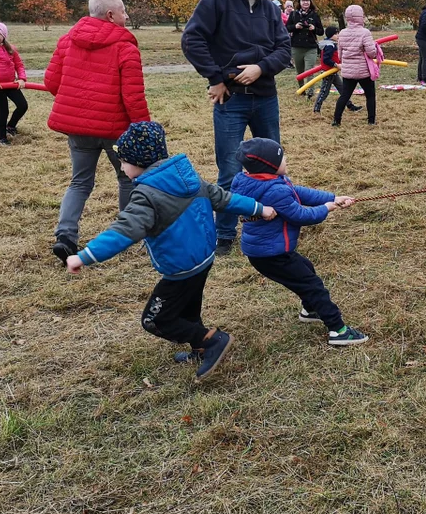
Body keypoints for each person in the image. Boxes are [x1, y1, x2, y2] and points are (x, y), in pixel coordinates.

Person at [65, 122, 275, 383]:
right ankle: (200, 347)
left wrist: (83, 256)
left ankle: (212, 341)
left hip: (180, 268)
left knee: (156, 320)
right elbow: (223, 198)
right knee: (188, 309)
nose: (121, 167)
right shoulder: (186, 176)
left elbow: (123, 231)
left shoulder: (147, 195)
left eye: (123, 161)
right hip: (203, 258)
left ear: (139, 162)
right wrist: (259, 208)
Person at [181, 0, 291, 255]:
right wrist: (215, 78)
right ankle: (225, 235)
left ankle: (280, 218)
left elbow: (283, 49)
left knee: (274, 164)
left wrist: (261, 68)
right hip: (231, 100)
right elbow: (192, 39)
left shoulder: (270, 9)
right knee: (230, 169)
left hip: (266, 97)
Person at [45, 0, 151, 263]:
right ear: (111, 15)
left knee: (80, 181)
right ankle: (128, 234)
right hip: (116, 130)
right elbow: (133, 97)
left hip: (79, 130)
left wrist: (79, 100)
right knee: (128, 178)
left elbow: (51, 83)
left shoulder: (67, 41)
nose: (127, 16)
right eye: (124, 11)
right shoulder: (125, 47)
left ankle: (65, 235)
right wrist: (144, 130)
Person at [230, 138, 368, 346]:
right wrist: (328, 207)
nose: (286, 159)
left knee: (306, 269)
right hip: (271, 254)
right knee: (313, 286)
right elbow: (301, 215)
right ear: (269, 167)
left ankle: (310, 309)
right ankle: (338, 331)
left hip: (267, 251)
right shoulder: (275, 191)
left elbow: (299, 193)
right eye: (281, 157)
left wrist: (332, 197)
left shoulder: (256, 181)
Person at [332, 5, 377, 126]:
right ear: (360, 17)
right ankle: (371, 121)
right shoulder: (365, 33)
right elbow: (371, 53)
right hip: (363, 71)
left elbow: (340, 54)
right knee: (370, 95)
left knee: (345, 95)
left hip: (348, 71)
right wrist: (376, 49)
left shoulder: (342, 33)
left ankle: (336, 120)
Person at [313, 26, 361, 114]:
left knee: (342, 89)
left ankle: (350, 106)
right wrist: (336, 65)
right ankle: (316, 109)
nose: (338, 35)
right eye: (336, 34)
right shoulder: (329, 45)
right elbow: (326, 59)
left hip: (333, 72)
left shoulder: (332, 44)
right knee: (324, 92)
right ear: (331, 35)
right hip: (328, 73)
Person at [287, 0, 324, 98]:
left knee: (309, 70)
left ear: (310, 2)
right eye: (303, 0)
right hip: (297, 46)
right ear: (299, 2)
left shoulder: (315, 15)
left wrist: (314, 28)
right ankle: (302, 89)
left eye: (307, 0)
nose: (306, 2)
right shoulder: (294, 14)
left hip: (310, 47)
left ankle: (310, 91)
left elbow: (321, 31)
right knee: (300, 71)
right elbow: (286, 27)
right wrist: (295, 27)